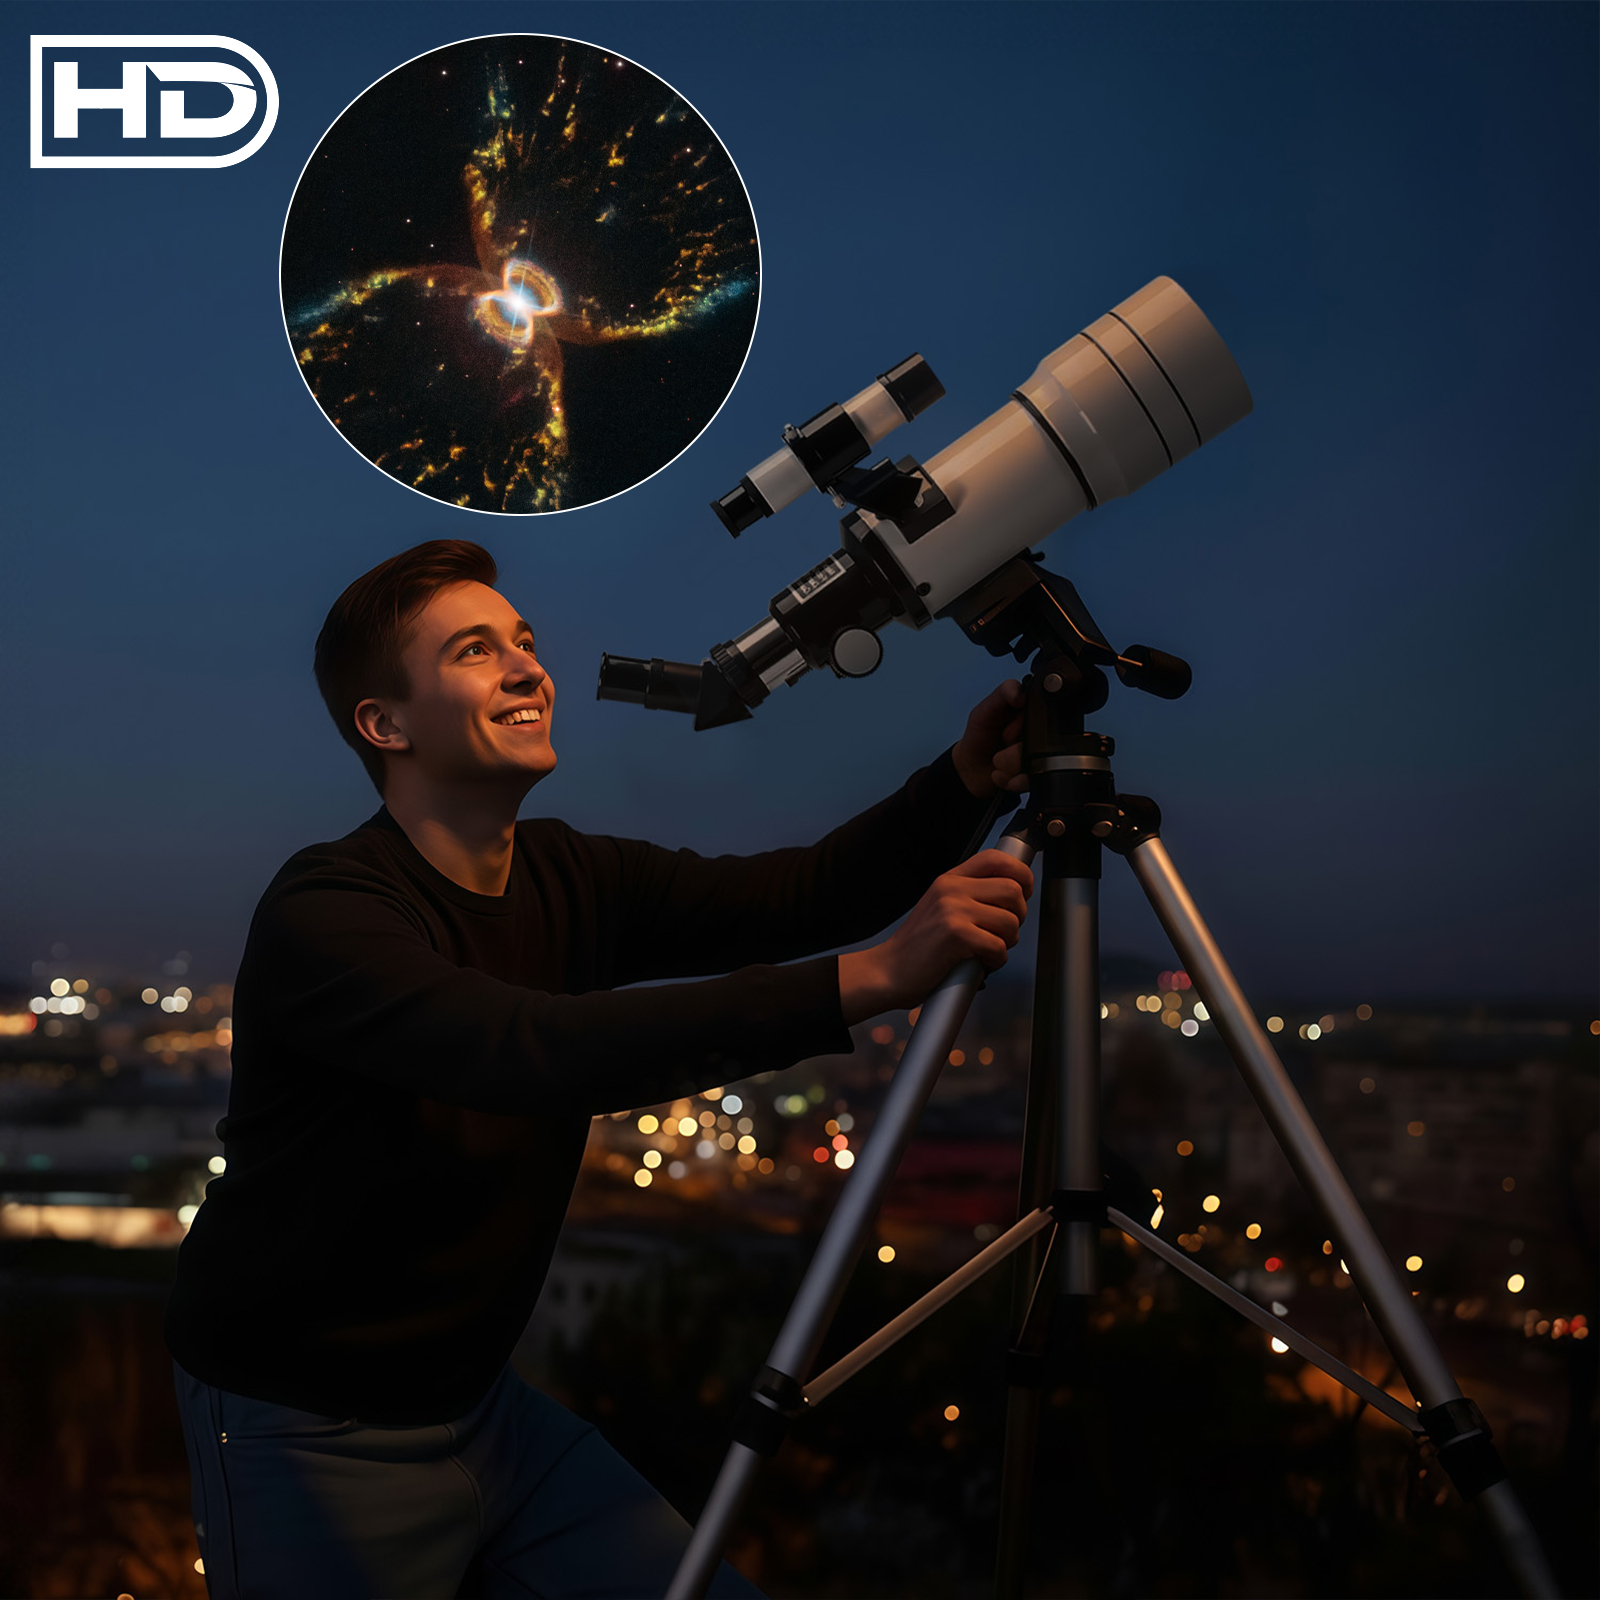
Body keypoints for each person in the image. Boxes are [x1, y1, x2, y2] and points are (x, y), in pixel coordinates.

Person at [164, 538, 1033, 1599]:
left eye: (525, 642)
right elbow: (531, 1049)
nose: (531, 669)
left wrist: (960, 784)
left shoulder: (573, 873)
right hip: (303, 1427)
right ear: (385, 725)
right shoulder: (329, 914)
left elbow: (799, 894)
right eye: (476, 651)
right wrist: (873, 977)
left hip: (489, 1410)